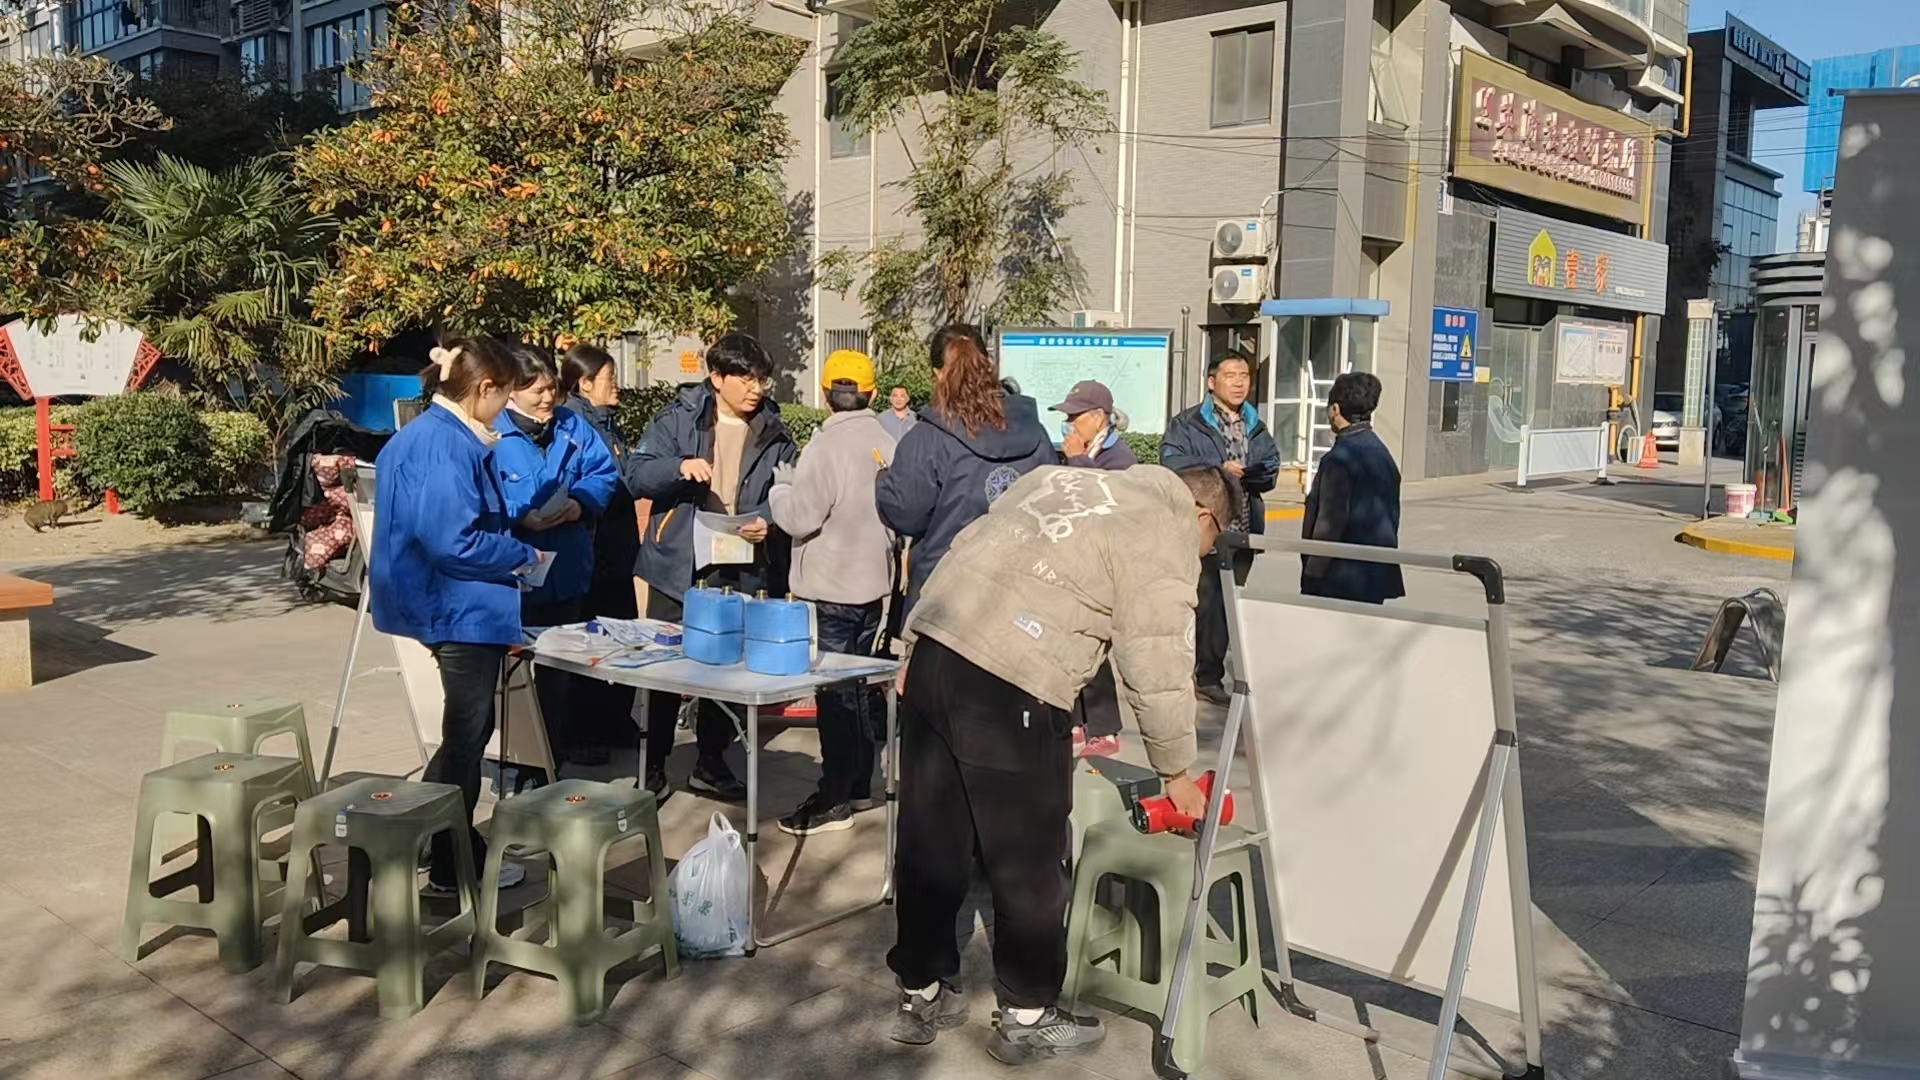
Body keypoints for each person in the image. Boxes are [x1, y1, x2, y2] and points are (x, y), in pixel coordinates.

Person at [885, 463, 1228, 1064]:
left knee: (931, 838)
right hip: (1014, 682)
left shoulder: (1057, 479)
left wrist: (912, 645)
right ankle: (1027, 1014)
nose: (1204, 554)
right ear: (1203, 515)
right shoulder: (1161, 526)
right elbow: (1157, 656)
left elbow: (964, 550)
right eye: (1212, 541)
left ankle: (921, 990)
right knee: (1029, 856)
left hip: (940, 653)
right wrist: (1175, 771)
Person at [370, 335, 544, 894]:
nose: (507, 407)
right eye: (506, 394)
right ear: (484, 388)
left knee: (464, 734)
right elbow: (454, 541)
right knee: (467, 736)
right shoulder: (447, 443)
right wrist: (521, 554)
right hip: (456, 606)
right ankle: (451, 863)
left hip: (439, 601)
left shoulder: (425, 433)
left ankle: (429, 842)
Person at [630, 332, 798, 799]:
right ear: (717, 377)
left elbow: (788, 488)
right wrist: (678, 467)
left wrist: (766, 519)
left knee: (725, 667)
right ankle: (653, 763)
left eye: (761, 379)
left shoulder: (774, 429)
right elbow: (636, 475)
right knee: (665, 666)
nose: (756, 389)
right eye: (746, 379)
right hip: (677, 561)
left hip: (738, 561)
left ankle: (711, 760)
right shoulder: (678, 419)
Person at [766, 349, 897, 835]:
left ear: (824, 394)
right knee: (857, 690)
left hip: (830, 589)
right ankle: (859, 785)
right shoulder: (888, 442)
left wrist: (781, 489)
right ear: (872, 393)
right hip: (873, 587)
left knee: (836, 700)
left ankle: (835, 797)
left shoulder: (824, 447)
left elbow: (801, 517)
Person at [492, 342, 618, 768]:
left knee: (560, 673)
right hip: (514, 577)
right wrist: (519, 515)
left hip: (566, 570)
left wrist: (580, 503)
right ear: (511, 392)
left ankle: (553, 759)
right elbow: (481, 493)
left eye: (552, 389)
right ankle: (516, 762)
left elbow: (603, 471)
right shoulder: (492, 432)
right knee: (512, 677)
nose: (548, 398)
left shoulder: (571, 425)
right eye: (537, 391)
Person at [877, 324, 1055, 616]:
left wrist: (883, 482)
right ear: (989, 367)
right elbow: (1052, 503)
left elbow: (905, 513)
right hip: (1020, 587)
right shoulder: (1034, 431)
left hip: (946, 592)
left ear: (937, 374)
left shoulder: (929, 436)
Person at [1160, 350, 1279, 705]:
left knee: (1226, 608)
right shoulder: (1187, 423)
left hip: (1241, 529)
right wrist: (1218, 467)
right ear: (1211, 382)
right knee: (1196, 603)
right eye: (1230, 375)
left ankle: (1210, 677)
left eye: (1244, 375)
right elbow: (1171, 461)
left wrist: (1252, 474)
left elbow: (1272, 466)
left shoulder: (1255, 424)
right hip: (1202, 528)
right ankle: (1179, 672)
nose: (1239, 383)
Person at [558, 343, 645, 763]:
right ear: (584, 383)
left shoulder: (607, 423)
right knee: (588, 643)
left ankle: (614, 722)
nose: (617, 386)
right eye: (609, 379)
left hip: (617, 555)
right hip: (591, 555)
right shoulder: (572, 426)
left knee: (622, 638)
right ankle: (581, 732)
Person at [1048, 379, 1136, 757]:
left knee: (1094, 645)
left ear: (1099, 417)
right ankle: (1077, 722)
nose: (1070, 425)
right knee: (1069, 642)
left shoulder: (1119, 458)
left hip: (1103, 566)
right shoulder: (1082, 451)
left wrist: (1078, 462)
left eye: (1076, 417)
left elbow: (1100, 503)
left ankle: (1104, 727)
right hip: (1073, 562)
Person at [1301, 372, 1405, 605]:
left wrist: (1312, 574)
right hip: (1376, 573)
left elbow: (1329, 525)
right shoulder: (1382, 453)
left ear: (1335, 409)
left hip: (1341, 578)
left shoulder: (1339, 459)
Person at [1051, 379, 1137, 470]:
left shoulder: (1120, 459)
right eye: (1068, 416)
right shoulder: (1075, 450)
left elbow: (1088, 479)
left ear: (1098, 418)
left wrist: (1077, 459)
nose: (1069, 423)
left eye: (1074, 416)